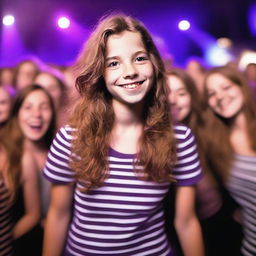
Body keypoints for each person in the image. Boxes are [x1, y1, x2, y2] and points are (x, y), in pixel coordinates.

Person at [43, 13, 204, 256]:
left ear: (153, 63)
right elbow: (58, 215)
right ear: (99, 73)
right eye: (113, 63)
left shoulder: (180, 139)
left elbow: (186, 222)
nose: (130, 71)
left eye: (139, 58)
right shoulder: (70, 138)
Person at [166, 67, 243, 256]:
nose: (173, 100)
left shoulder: (204, 131)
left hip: (222, 220)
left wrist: (237, 209)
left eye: (182, 93)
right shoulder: (149, 145)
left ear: (192, 97)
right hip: (181, 233)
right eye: (166, 93)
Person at [204, 66, 256, 256]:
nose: (219, 96)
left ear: (241, 86)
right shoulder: (218, 145)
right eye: (211, 93)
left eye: (226, 87)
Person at [0, 84, 56, 256]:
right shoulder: (6, 154)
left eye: (44, 107)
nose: (36, 114)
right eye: (28, 107)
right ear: (16, 113)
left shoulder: (59, 154)